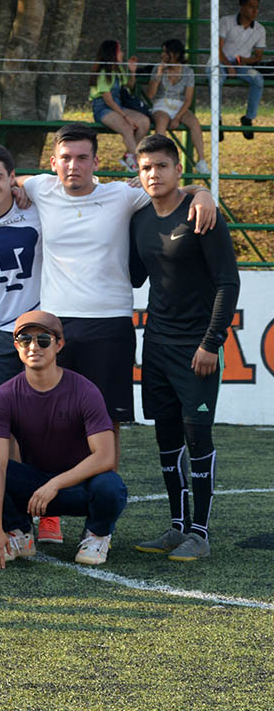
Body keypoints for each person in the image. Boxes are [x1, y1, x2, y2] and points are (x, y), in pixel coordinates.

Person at [0, 123, 217, 468]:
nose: (73, 165)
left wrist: (202, 193)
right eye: (66, 158)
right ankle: (51, 516)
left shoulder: (122, 195)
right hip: (56, 324)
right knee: (49, 420)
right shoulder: (40, 188)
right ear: (53, 162)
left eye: (82, 158)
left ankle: (101, 516)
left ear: (96, 162)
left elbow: (172, 188)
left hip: (110, 324)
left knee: (107, 422)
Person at [129, 134, 240, 561]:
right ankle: (177, 527)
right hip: (154, 344)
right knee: (166, 437)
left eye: (161, 166)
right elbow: (135, 276)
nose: (153, 174)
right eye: (145, 168)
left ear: (178, 170)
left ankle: (200, 532)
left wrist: (212, 342)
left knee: (198, 436)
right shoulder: (139, 220)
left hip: (197, 348)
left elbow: (228, 283)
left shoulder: (200, 215)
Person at [0, 310, 128, 568]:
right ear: (16, 346)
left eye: (43, 340)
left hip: (77, 486)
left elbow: (105, 457)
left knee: (111, 486)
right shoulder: (3, 396)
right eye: (25, 340)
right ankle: (18, 532)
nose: (34, 346)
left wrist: (55, 483)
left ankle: (97, 534)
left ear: (59, 345)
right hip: (32, 486)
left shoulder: (85, 390)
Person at [0, 143, 60, 544]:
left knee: (49, 422)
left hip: (39, 324)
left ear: (12, 177)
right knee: (8, 426)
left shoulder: (36, 210)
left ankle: (52, 511)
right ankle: (18, 512)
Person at [145, 39, 209, 173]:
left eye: (166, 52)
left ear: (175, 54)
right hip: (161, 104)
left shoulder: (188, 71)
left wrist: (177, 118)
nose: (162, 55)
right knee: (161, 121)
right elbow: (150, 94)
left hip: (180, 105)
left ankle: (201, 161)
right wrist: (158, 75)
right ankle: (160, 159)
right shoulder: (158, 68)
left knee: (194, 122)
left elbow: (188, 99)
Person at [89, 39, 149, 172]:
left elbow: (130, 85)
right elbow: (108, 99)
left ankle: (129, 155)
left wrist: (132, 71)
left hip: (118, 105)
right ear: (112, 53)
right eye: (119, 51)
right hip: (103, 107)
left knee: (144, 122)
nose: (122, 53)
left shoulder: (118, 69)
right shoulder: (103, 72)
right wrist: (126, 116)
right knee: (127, 127)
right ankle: (138, 163)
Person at [218, 0, 265, 139]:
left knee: (258, 79)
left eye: (257, 7)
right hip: (219, 62)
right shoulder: (225, 21)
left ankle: (248, 119)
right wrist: (229, 65)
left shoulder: (260, 29)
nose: (254, 11)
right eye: (251, 7)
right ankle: (217, 120)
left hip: (241, 66)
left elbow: (258, 56)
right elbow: (217, 49)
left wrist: (244, 60)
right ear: (242, 7)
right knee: (216, 78)